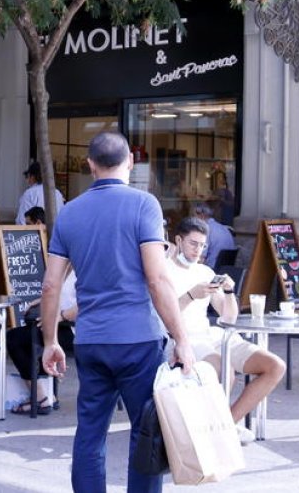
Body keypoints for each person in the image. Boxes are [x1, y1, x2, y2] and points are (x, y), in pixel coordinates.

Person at [41, 131, 194, 493]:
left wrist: (50, 340)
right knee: (146, 434)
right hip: (138, 340)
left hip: (92, 339)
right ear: (130, 162)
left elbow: (50, 286)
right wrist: (182, 338)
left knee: (90, 433)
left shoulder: (69, 213)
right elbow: (157, 279)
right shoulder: (145, 205)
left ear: (90, 165)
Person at [168, 216, 284, 444]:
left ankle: (225, 425)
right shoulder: (164, 271)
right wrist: (191, 295)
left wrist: (230, 292)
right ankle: (215, 431)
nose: (198, 250)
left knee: (275, 367)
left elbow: (228, 316)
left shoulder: (205, 272)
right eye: (193, 244)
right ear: (179, 241)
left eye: (202, 245)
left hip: (213, 335)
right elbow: (164, 316)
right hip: (185, 339)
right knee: (225, 370)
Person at [6, 270, 76, 415]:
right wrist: (42, 301)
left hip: (76, 330)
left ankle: (40, 398)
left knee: (15, 339)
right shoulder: (68, 265)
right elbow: (60, 294)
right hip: (62, 324)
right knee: (25, 336)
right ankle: (48, 395)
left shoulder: (83, 266)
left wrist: (60, 317)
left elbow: (90, 301)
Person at [193, 202, 235, 268]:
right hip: (226, 269)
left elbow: (201, 258)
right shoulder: (224, 228)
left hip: (211, 269)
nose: (192, 219)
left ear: (201, 215)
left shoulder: (205, 229)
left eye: (194, 216)